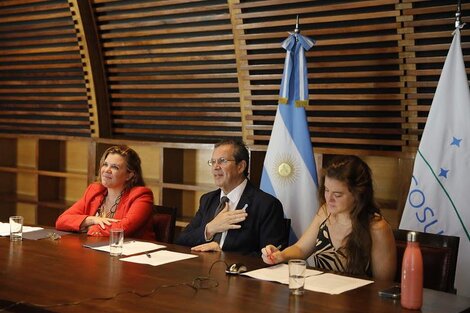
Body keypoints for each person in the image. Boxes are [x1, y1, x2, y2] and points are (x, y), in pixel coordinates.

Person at [261, 155, 396, 281]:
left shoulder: (377, 228)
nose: (329, 199)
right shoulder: (325, 212)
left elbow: (383, 285)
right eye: (326, 190)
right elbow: (301, 249)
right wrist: (281, 255)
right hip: (321, 295)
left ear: (358, 194)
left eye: (337, 195)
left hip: (357, 303)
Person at [175, 139, 287, 255]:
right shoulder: (208, 199)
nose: (215, 167)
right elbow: (181, 240)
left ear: (241, 166)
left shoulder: (267, 205)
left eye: (222, 161)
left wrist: (223, 253)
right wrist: (210, 229)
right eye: (213, 162)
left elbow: (270, 256)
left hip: (237, 271)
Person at [56, 145, 154, 239]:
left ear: (129, 175)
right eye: (105, 164)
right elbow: (61, 221)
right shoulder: (95, 191)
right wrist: (92, 219)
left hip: (133, 253)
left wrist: (89, 228)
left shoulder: (141, 195)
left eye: (115, 167)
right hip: (97, 249)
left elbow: (123, 228)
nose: (107, 170)